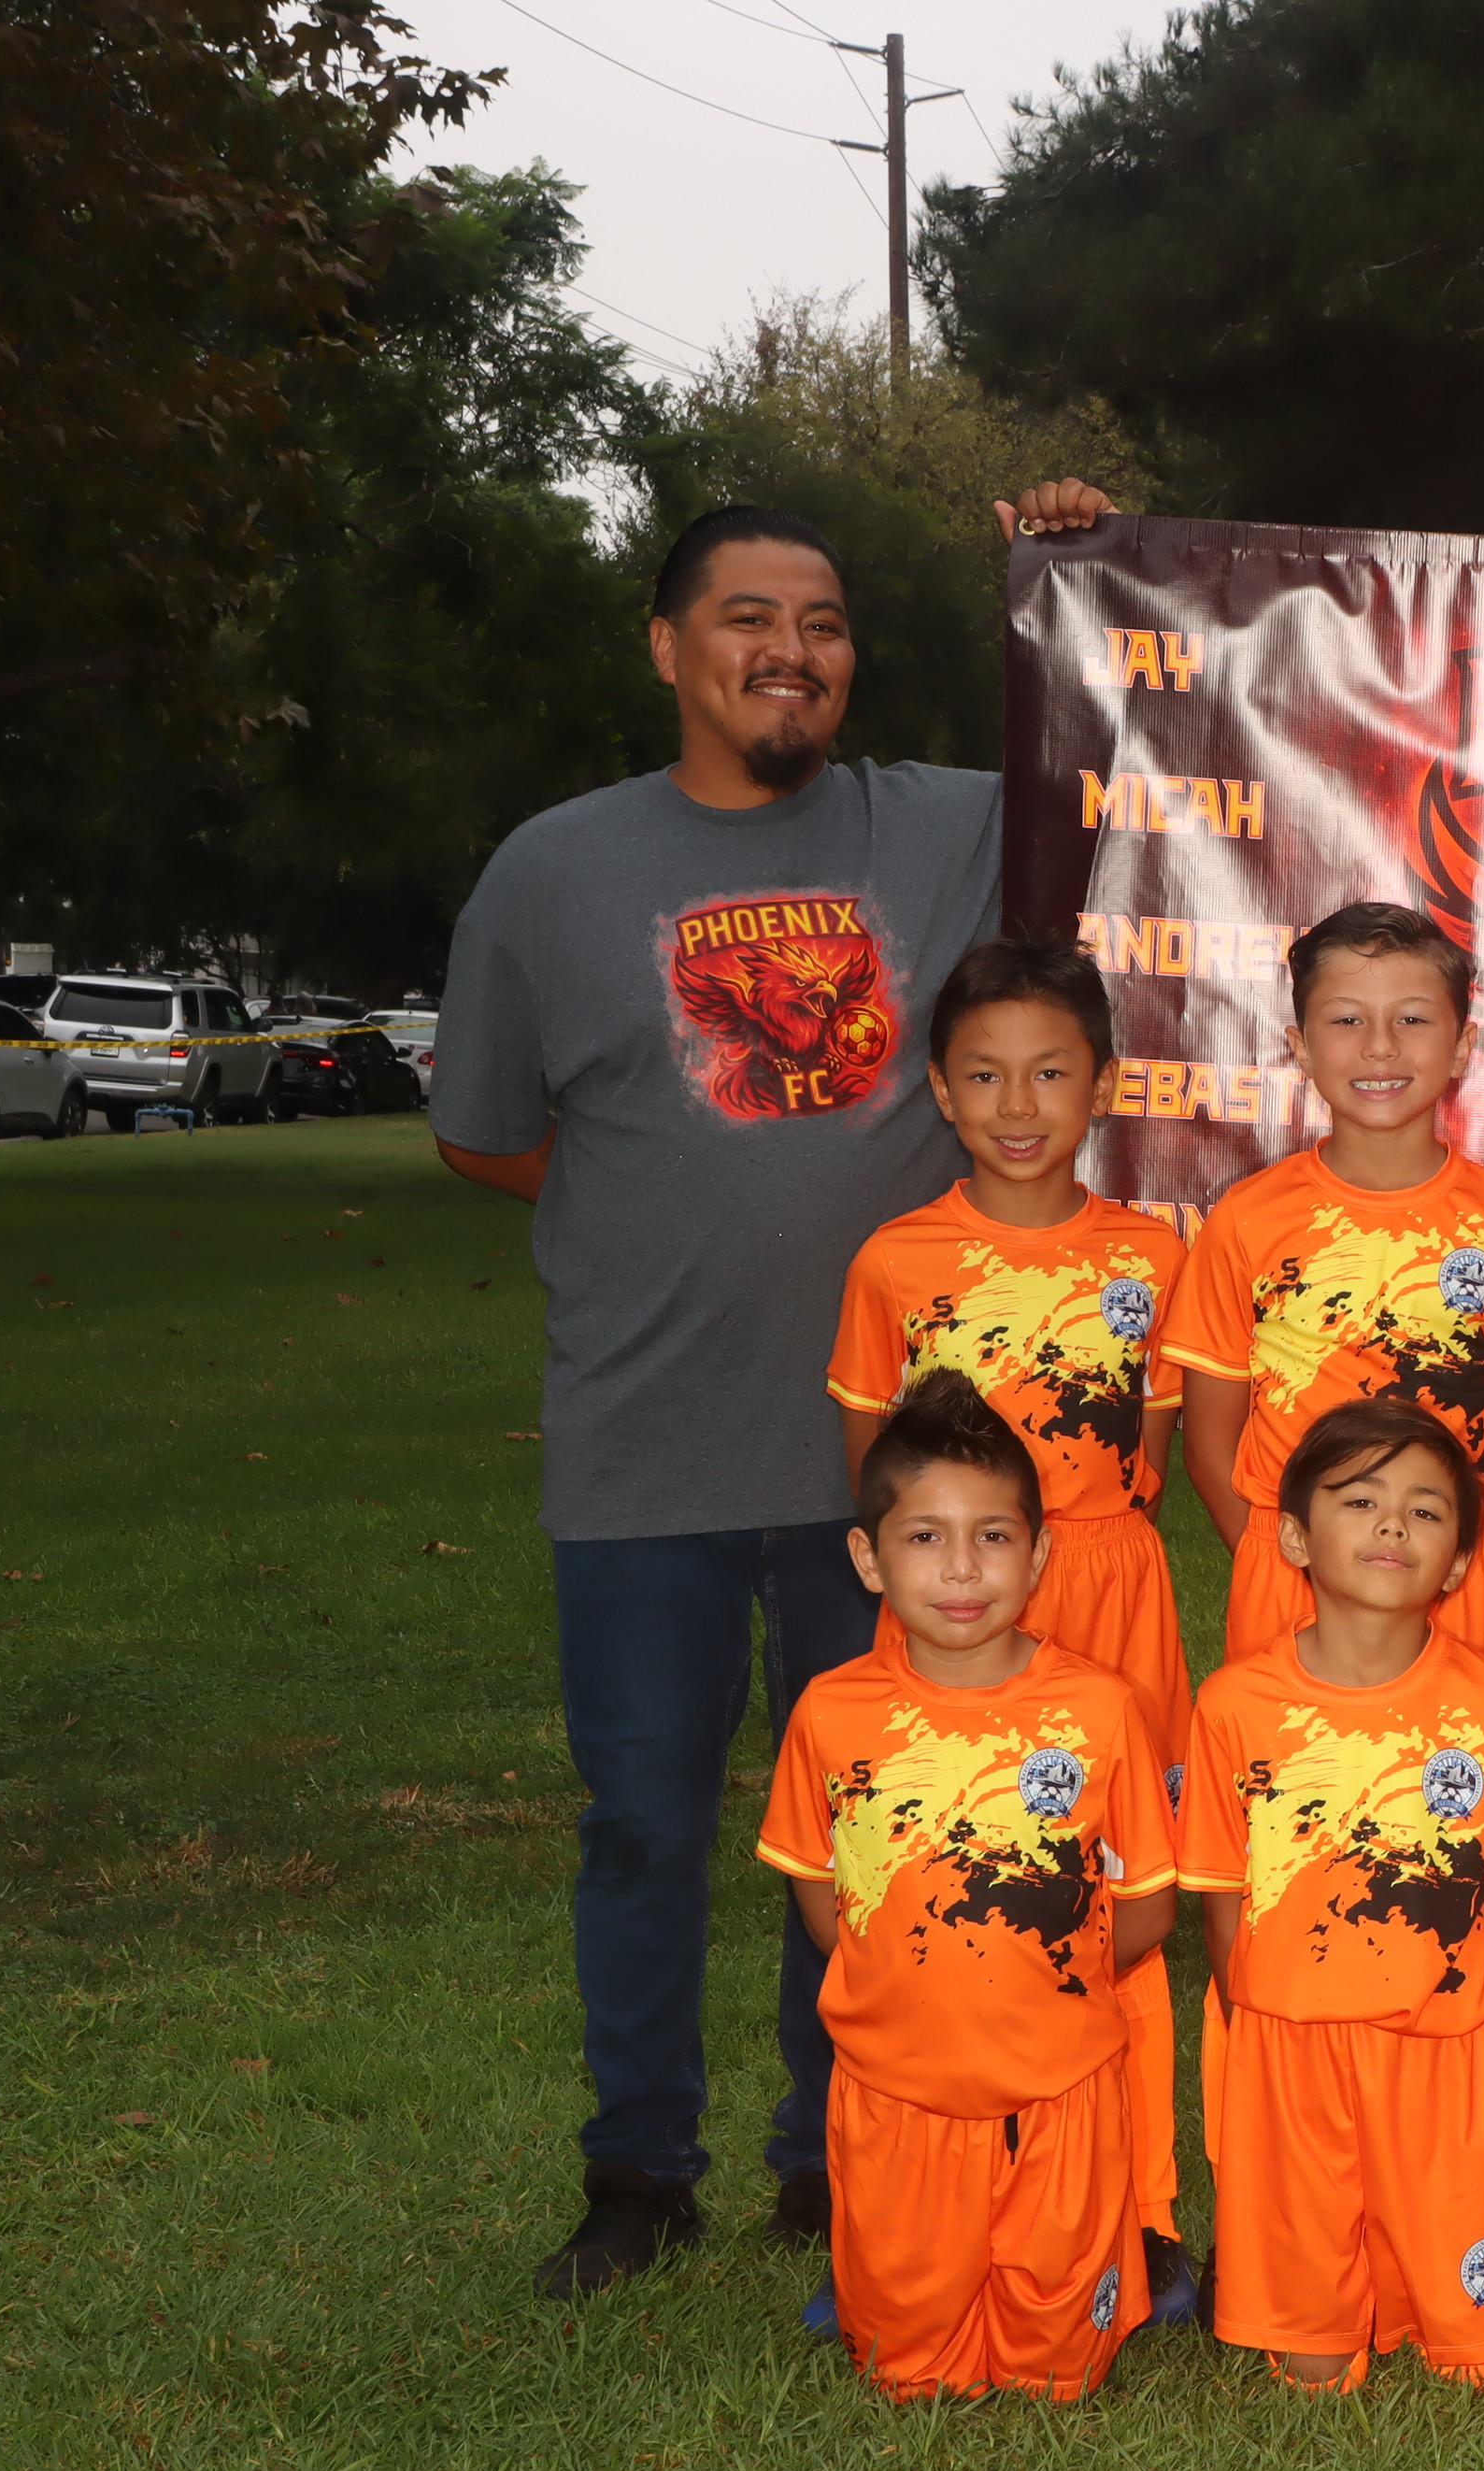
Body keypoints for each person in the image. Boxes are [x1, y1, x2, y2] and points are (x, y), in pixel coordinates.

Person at [433, 479, 1114, 2300]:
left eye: (821, 625)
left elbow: (1123, 753)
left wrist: (1079, 565)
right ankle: (638, 2173)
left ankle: (840, 2154)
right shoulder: (553, 870)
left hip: (890, 1471)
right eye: (747, 619)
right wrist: (666, 1209)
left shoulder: (941, 827)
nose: (789, 652)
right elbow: (486, 1135)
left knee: (888, 1822)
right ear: (669, 647)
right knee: (646, 1825)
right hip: (645, 1448)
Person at [822, 931, 1198, 2304]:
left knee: (1110, 1885)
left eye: (1051, 1072)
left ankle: (1131, 2205)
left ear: (1103, 1084)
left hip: (1107, 1586)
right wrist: (948, 1571)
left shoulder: (1150, 1255)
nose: (1019, 1104)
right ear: (940, 1087)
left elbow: (1151, 1448)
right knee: (948, 1870)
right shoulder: (896, 1262)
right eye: (985, 1075)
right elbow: (876, 1474)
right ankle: (914, 2197)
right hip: (955, 1604)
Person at [753, 1373, 1180, 2402]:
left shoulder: (1100, 1708)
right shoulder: (829, 1715)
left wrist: (1045, 1983)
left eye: (992, 1536)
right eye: (923, 1536)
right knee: (910, 2370)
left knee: (1056, 2370)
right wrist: (906, 1983)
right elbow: (825, 1896)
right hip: (897, 2093)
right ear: (868, 1558)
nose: (960, 1567)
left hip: (1060, 2090)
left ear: (1038, 1555)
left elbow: (1150, 1904)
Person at [1177, 1397, 1484, 2390]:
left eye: (1426, 1510)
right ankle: (1307, 2301)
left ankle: (1449, 2294)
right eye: (1361, 1500)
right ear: (1295, 1536)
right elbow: (1221, 1886)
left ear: (1459, 1562)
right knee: (1313, 2362)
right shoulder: (1234, 1702)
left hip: (1446, 2043)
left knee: (1473, 2357)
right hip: (1291, 2043)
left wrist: (1459, 1994)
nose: (1393, 1525)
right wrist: (1263, 2010)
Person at [1162, 903, 1484, 1671]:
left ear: (1462, 1046)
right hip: (1289, 1570)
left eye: (1413, 1019)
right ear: (1299, 1046)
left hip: (1455, 1574)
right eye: (1347, 1020)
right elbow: (1208, 1443)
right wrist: (1281, 1556)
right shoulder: (1247, 1221)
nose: (1381, 1046)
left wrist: (1475, 1566)